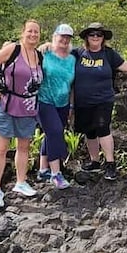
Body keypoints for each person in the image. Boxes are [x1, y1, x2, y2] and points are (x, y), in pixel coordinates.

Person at [0, 20, 44, 210]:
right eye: (30, 31)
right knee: (1, 148)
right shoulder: (13, 50)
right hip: (7, 104)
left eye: (36, 32)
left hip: (27, 105)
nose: (33, 35)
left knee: (24, 146)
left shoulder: (39, 55)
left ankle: (21, 182)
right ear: (22, 32)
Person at [71, 23, 127, 180]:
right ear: (86, 37)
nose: (95, 37)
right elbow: (61, 56)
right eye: (92, 34)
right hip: (83, 101)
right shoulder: (78, 53)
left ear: (103, 38)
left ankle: (110, 164)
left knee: (103, 128)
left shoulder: (109, 54)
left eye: (99, 35)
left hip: (103, 100)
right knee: (89, 131)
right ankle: (94, 161)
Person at [34, 24, 77, 190]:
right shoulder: (44, 53)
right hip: (44, 100)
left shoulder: (73, 59)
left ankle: (43, 169)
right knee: (55, 132)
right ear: (54, 36)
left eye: (68, 37)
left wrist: (71, 106)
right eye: (62, 36)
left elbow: (72, 84)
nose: (64, 40)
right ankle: (56, 174)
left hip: (63, 103)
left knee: (51, 133)